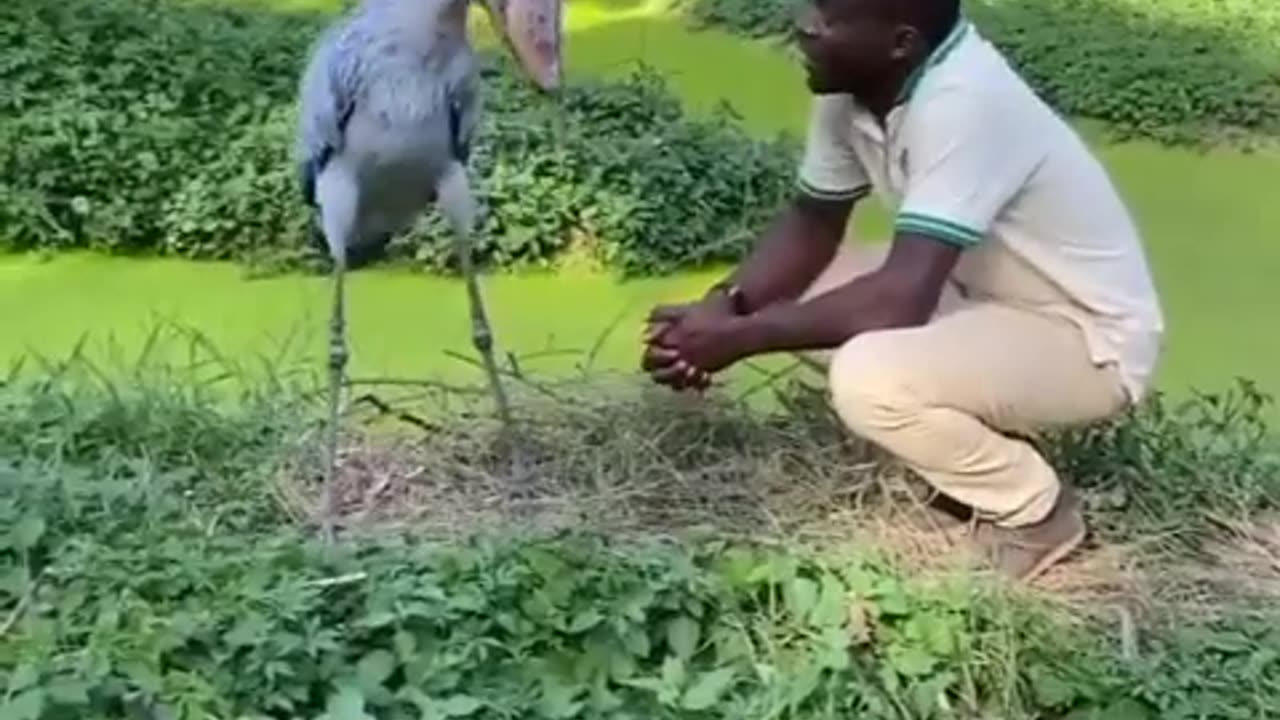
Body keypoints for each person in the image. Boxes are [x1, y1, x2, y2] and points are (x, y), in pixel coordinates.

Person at [641, 0, 1164, 582]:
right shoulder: (852, 86)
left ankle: (1033, 512)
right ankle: (974, 441)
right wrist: (723, 307)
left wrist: (739, 339)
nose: (805, 26)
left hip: (1083, 341)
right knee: (813, 284)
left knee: (869, 375)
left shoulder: (965, 103)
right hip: (981, 302)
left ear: (901, 42)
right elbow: (813, 225)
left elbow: (900, 300)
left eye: (830, 19)